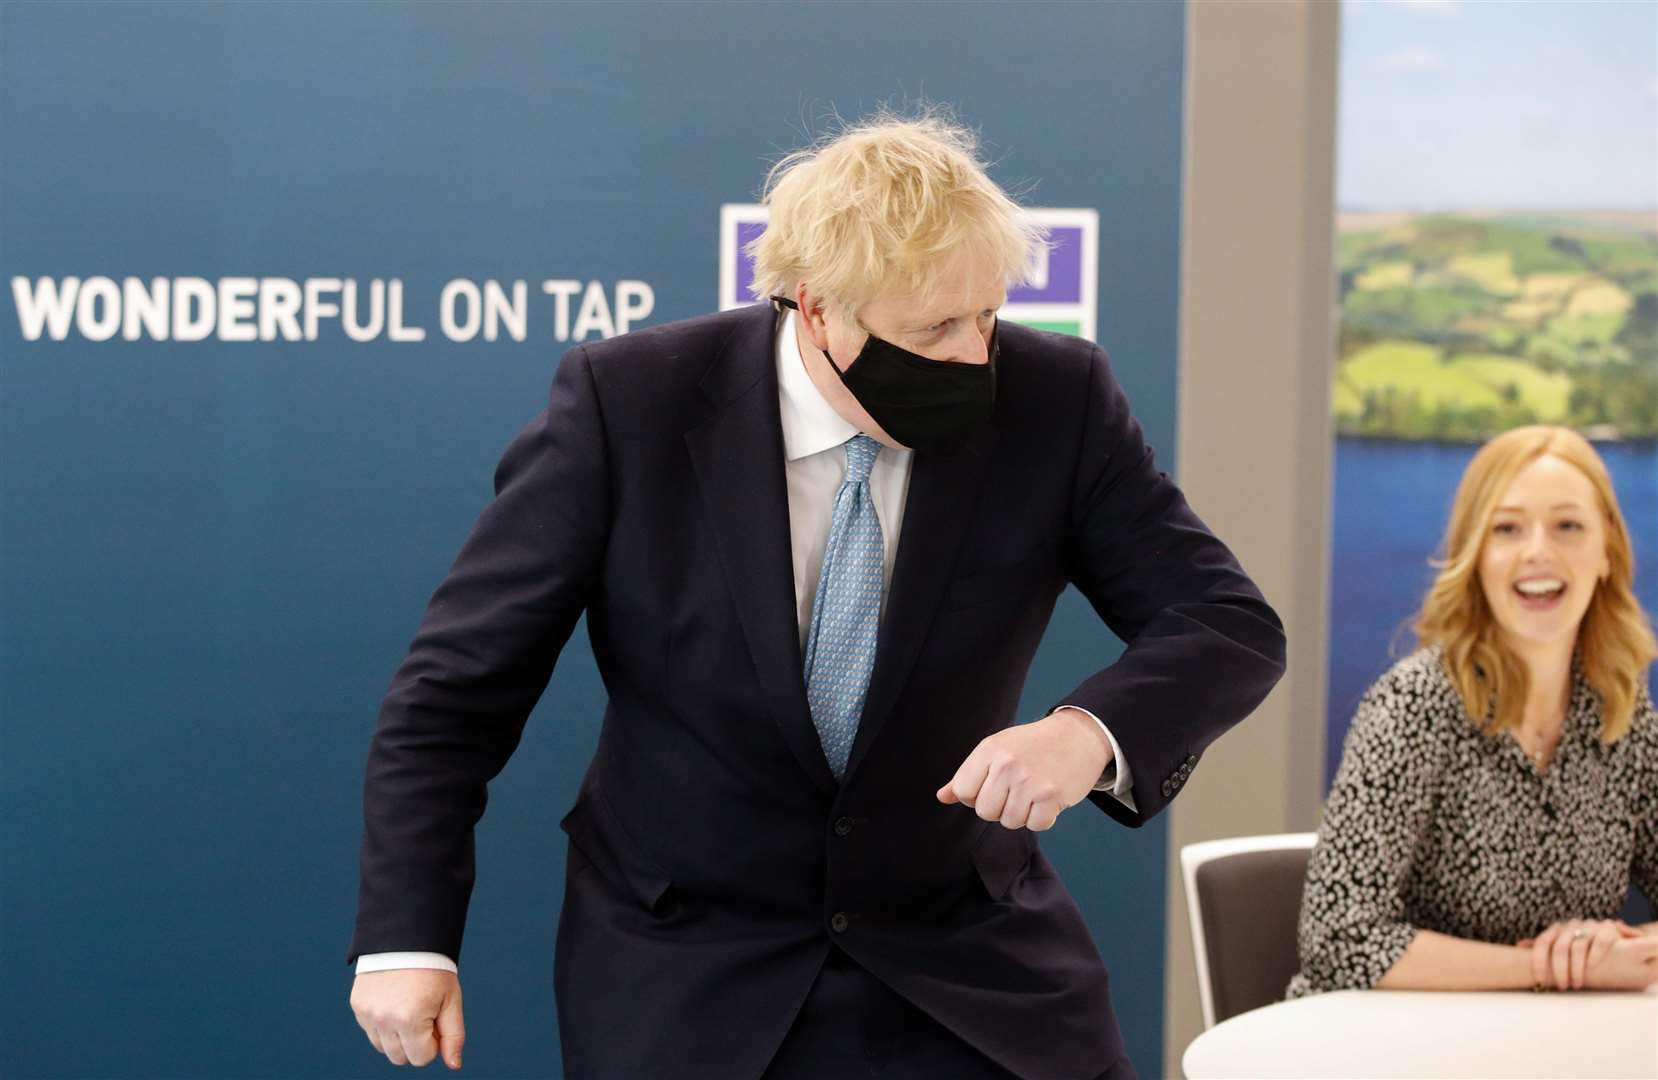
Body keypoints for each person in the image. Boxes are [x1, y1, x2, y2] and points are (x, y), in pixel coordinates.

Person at [348, 110, 1285, 1079]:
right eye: (933, 327)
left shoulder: (1056, 398)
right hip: (686, 965)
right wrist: (406, 938)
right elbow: (455, 690)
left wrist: (1088, 733)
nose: (973, 354)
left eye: (987, 316)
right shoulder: (630, 405)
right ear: (817, 308)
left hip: (965, 964)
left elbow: (1222, 621)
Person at [1289, 425, 1658, 999]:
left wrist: (1619, 950)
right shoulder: (1414, 705)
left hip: (1545, 1048)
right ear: (1476, 556)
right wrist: (1561, 968)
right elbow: (1339, 939)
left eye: (1568, 526)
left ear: (1607, 550)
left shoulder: (1621, 711)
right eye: (1507, 529)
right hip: (1382, 1047)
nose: (1539, 550)